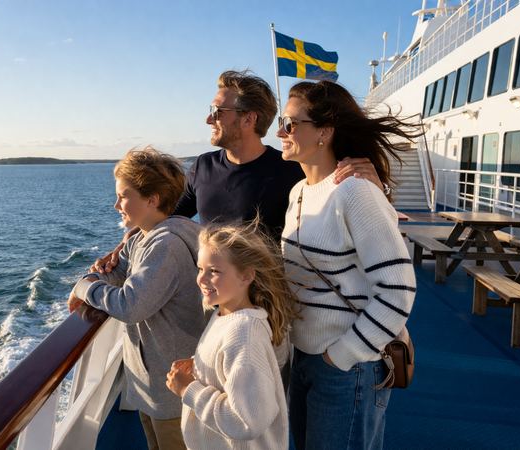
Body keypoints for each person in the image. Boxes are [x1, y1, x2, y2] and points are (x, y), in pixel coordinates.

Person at [94, 69, 383, 272]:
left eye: (217, 112)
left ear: (248, 119)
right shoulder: (203, 167)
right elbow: (164, 220)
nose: (209, 119)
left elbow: (343, 209)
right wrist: (123, 249)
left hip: (273, 312)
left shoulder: (292, 171)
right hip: (216, 299)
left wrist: (378, 186)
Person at [277, 80, 419, 449]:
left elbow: (398, 290)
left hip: (347, 367)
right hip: (303, 357)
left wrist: (340, 357)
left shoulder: (355, 192)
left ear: (324, 132)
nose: (280, 132)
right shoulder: (299, 193)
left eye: (290, 124)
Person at [67, 146, 207, 450]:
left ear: (152, 199)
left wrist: (85, 288)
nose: (116, 204)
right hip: (152, 383)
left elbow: (131, 305)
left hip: (172, 388)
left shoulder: (166, 246)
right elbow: (118, 273)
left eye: (123, 196)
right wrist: (98, 277)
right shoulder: (143, 237)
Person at [165, 222, 297, 449]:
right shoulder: (224, 315)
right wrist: (200, 367)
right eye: (200, 269)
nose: (201, 279)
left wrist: (189, 390)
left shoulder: (243, 334)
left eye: (214, 271)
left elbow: (247, 420)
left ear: (246, 276)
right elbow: (231, 368)